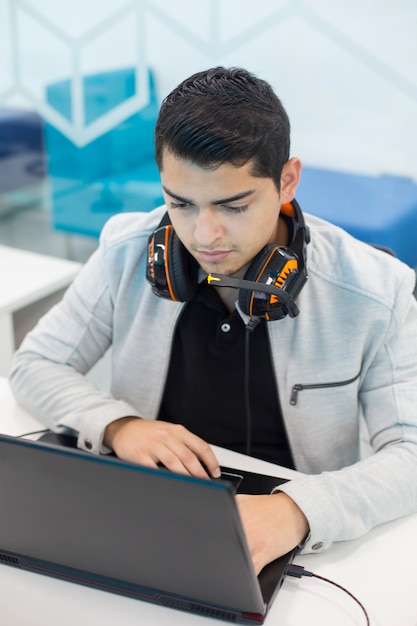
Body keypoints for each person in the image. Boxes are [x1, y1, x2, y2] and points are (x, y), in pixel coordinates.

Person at [9, 67, 417, 576]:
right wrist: (119, 425)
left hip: (300, 539)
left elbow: (410, 454)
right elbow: (35, 363)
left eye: (233, 205)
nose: (205, 236)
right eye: (180, 203)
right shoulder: (127, 250)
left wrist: (298, 511)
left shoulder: (377, 289)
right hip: (144, 505)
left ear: (286, 180)